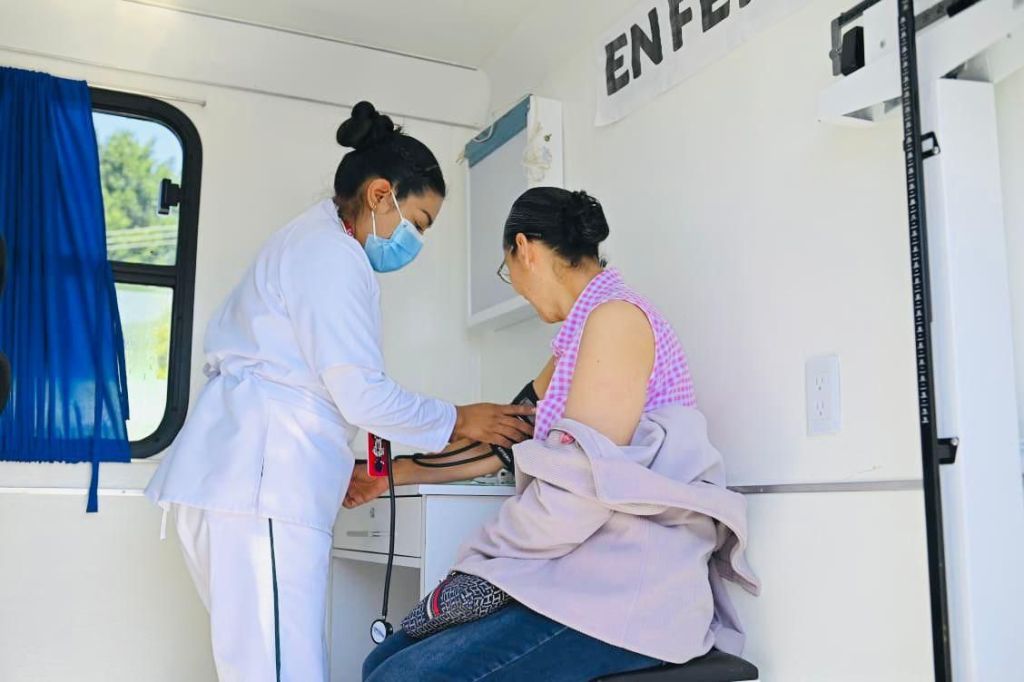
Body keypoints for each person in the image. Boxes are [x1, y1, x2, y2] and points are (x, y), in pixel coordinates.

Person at [144, 101, 534, 682]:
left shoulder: (311, 242)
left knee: (262, 666)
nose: (416, 241)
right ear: (381, 195)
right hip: (263, 484)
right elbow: (363, 396)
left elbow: (334, 386)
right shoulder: (331, 254)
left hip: (242, 480)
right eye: (419, 222)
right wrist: (463, 418)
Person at [353, 188, 758, 681]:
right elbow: (508, 436)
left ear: (524, 249)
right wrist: (391, 473)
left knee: (398, 677)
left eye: (508, 270)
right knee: (380, 662)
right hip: (575, 572)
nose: (518, 289)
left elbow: (577, 493)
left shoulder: (616, 321)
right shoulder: (576, 339)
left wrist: (479, 564)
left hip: (623, 589)